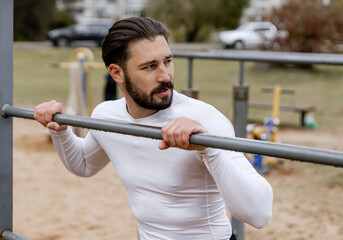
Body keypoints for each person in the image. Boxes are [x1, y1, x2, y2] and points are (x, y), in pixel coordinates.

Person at [34, 17, 273, 240]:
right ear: (117, 73)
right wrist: (60, 130)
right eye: (150, 66)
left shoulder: (206, 119)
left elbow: (258, 215)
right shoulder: (107, 116)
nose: (165, 76)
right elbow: (84, 165)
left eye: (167, 61)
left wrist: (208, 148)